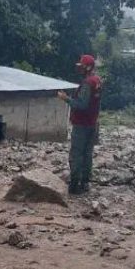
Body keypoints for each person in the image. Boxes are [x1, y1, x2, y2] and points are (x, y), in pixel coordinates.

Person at [57, 55, 102, 195]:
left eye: (82, 67)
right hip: (92, 123)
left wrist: (66, 99)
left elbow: (81, 105)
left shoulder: (88, 83)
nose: (79, 69)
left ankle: (75, 185)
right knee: (87, 154)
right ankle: (85, 183)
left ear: (88, 67)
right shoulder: (98, 80)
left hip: (82, 124)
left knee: (76, 154)